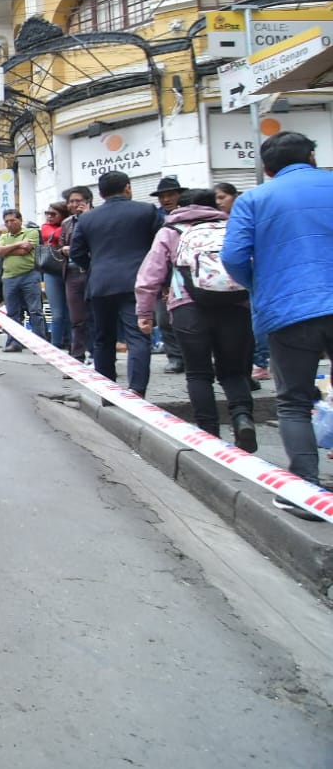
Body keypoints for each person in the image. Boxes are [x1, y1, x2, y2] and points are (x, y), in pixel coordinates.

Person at [221, 131, 333, 520]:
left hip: (289, 310)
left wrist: (260, 282)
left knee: (294, 401)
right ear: (313, 157)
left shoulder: (254, 199)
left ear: (267, 169)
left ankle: (305, 489)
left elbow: (234, 257)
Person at [135, 189, 256, 452]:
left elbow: (149, 277)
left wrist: (145, 314)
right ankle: (242, 417)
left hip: (188, 309)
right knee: (234, 371)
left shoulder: (171, 231)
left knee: (198, 373)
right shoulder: (232, 225)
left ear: (180, 207)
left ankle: (208, 435)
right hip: (235, 305)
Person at [69, 170, 161, 398]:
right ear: (128, 187)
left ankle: (107, 392)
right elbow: (160, 248)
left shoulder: (88, 218)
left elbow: (76, 252)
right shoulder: (147, 211)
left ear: (100, 194)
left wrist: (95, 266)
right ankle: (137, 391)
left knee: (102, 339)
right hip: (137, 283)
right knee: (138, 337)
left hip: (100, 284)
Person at [216, 181, 271, 383]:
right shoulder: (220, 220)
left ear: (234, 196)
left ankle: (261, 361)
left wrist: (248, 280)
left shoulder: (244, 213)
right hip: (243, 279)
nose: (219, 202)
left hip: (252, 276)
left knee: (258, 319)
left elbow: (233, 255)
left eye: (223, 197)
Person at [149, 177, 187, 374]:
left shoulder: (191, 215)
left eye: (170, 195)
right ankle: (175, 358)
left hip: (189, 275)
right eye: (162, 196)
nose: (166, 199)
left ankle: (192, 357)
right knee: (164, 320)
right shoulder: (155, 218)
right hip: (163, 276)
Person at [0, 209, 47, 349]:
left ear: (20, 220)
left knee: (35, 310)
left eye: (13, 220)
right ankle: (14, 342)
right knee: (12, 312)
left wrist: (7, 250)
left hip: (29, 275)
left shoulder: (31, 232)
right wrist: (17, 245)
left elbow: (26, 250)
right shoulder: (4, 236)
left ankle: (40, 344)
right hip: (9, 278)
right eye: (6, 222)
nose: (10, 224)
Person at [61, 186, 96, 362]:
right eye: (71, 201)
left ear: (88, 201)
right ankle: (77, 356)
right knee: (77, 318)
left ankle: (97, 356)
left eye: (78, 200)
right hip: (73, 272)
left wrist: (87, 217)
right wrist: (65, 250)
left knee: (95, 316)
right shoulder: (66, 223)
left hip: (93, 271)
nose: (74, 204)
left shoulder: (97, 217)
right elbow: (60, 246)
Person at [39, 201, 71, 349]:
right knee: (57, 312)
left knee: (70, 312)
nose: (49, 217)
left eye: (53, 214)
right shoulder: (46, 227)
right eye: (47, 214)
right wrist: (69, 225)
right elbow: (51, 234)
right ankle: (56, 344)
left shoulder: (70, 224)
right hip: (52, 271)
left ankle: (71, 343)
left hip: (70, 270)